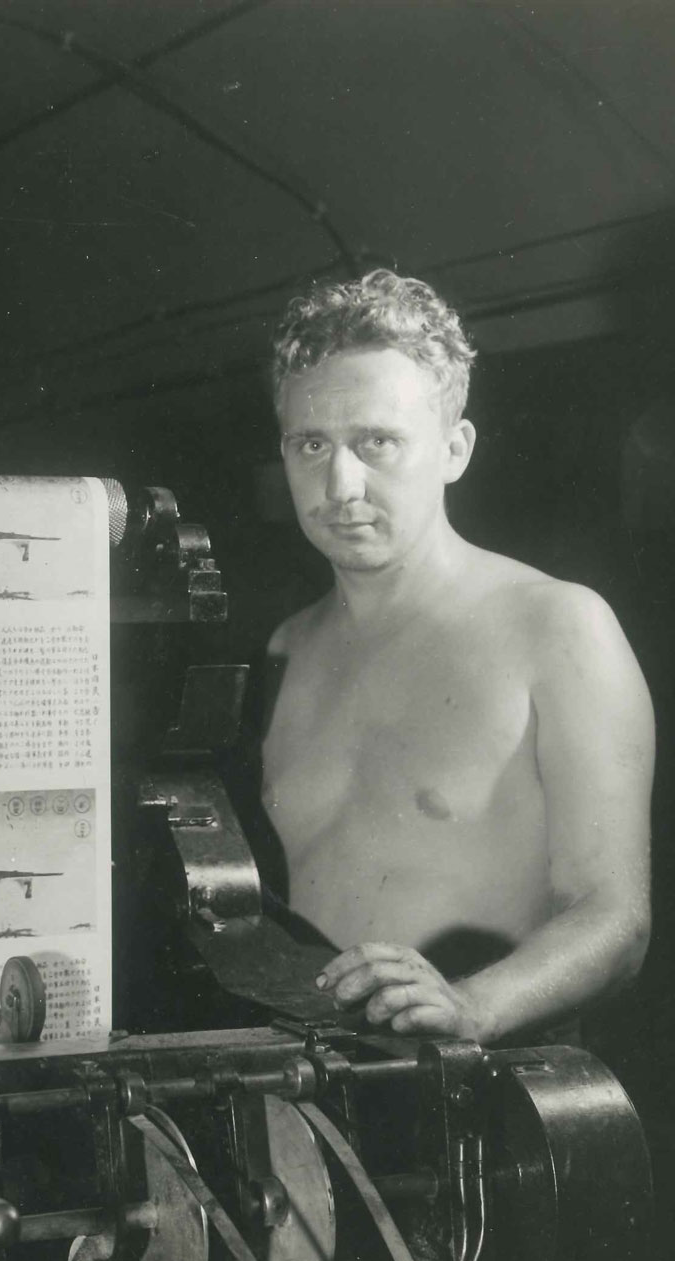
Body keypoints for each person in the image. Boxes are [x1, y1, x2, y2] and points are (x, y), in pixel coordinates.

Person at [261, 269, 653, 1045]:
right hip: (309, 1095)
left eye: (377, 442)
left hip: (481, 1100)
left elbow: (615, 917)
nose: (341, 485)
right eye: (313, 445)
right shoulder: (282, 650)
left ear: (454, 449)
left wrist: (472, 1005)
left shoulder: (560, 627)